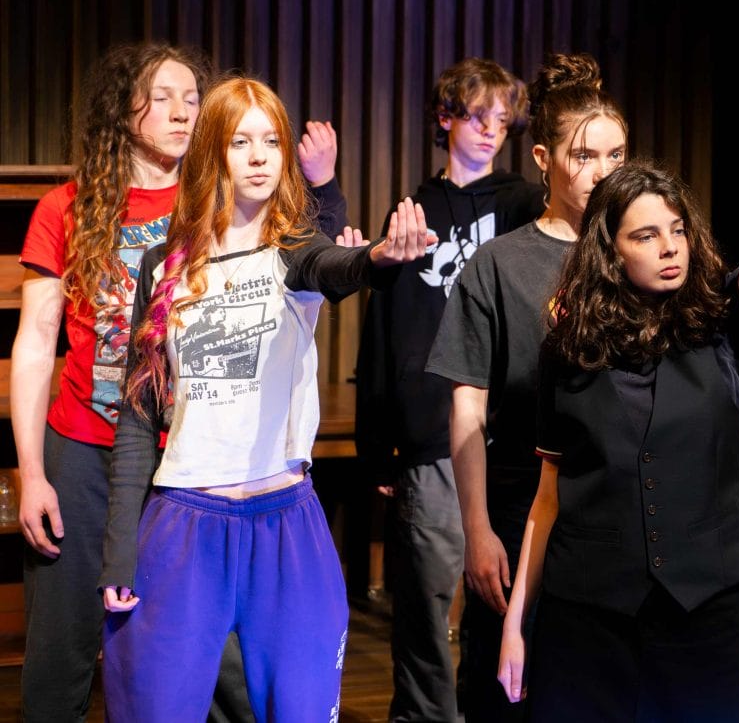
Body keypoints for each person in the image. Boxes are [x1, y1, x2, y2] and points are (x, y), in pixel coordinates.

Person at [494, 57, 739, 720]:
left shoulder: (723, 322)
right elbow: (546, 501)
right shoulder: (570, 348)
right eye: (647, 235)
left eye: (676, 229)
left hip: (702, 615)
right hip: (588, 617)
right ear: (613, 250)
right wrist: (514, 623)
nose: (670, 246)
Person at [11, 42, 348, 723]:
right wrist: (31, 470)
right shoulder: (68, 207)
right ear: (122, 107)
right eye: (162, 96)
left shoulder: (217, 205)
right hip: (84, 443)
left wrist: (330, 192)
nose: (182, 110)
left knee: (202, 661)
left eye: (193, 98)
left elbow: (312, 257)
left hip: (185, 461)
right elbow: (37, 340)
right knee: (65, 641)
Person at [95, 76, 430, 721]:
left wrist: (381, 258)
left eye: (271, 141)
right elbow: (138, 416)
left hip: (285, 522)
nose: (258, 157)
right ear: (213, 153)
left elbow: (337, 267)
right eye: (241, 141)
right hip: (185, 522)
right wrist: (118, 549)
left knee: (301, 709)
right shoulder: (163, 265)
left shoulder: (293, 250)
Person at [425, 52, 630, 722]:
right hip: (518, 513)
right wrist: (477, 528)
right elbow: (467, 409)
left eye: (617, 155)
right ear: (544, 157)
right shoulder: (499, 266)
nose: (603, 172)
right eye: (584, 155)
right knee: (506, 695)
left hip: (615, 518)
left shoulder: (641, 253)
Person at [355, 56, 542, 722]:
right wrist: (378, 445)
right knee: (425, 602)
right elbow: (387, 329)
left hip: (509, 434)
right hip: (434, 433)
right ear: (445, 118)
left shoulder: (524, 204)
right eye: (478, 115)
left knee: (504, 600)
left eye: (503, 119)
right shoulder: (415, 208)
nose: (493, 130)